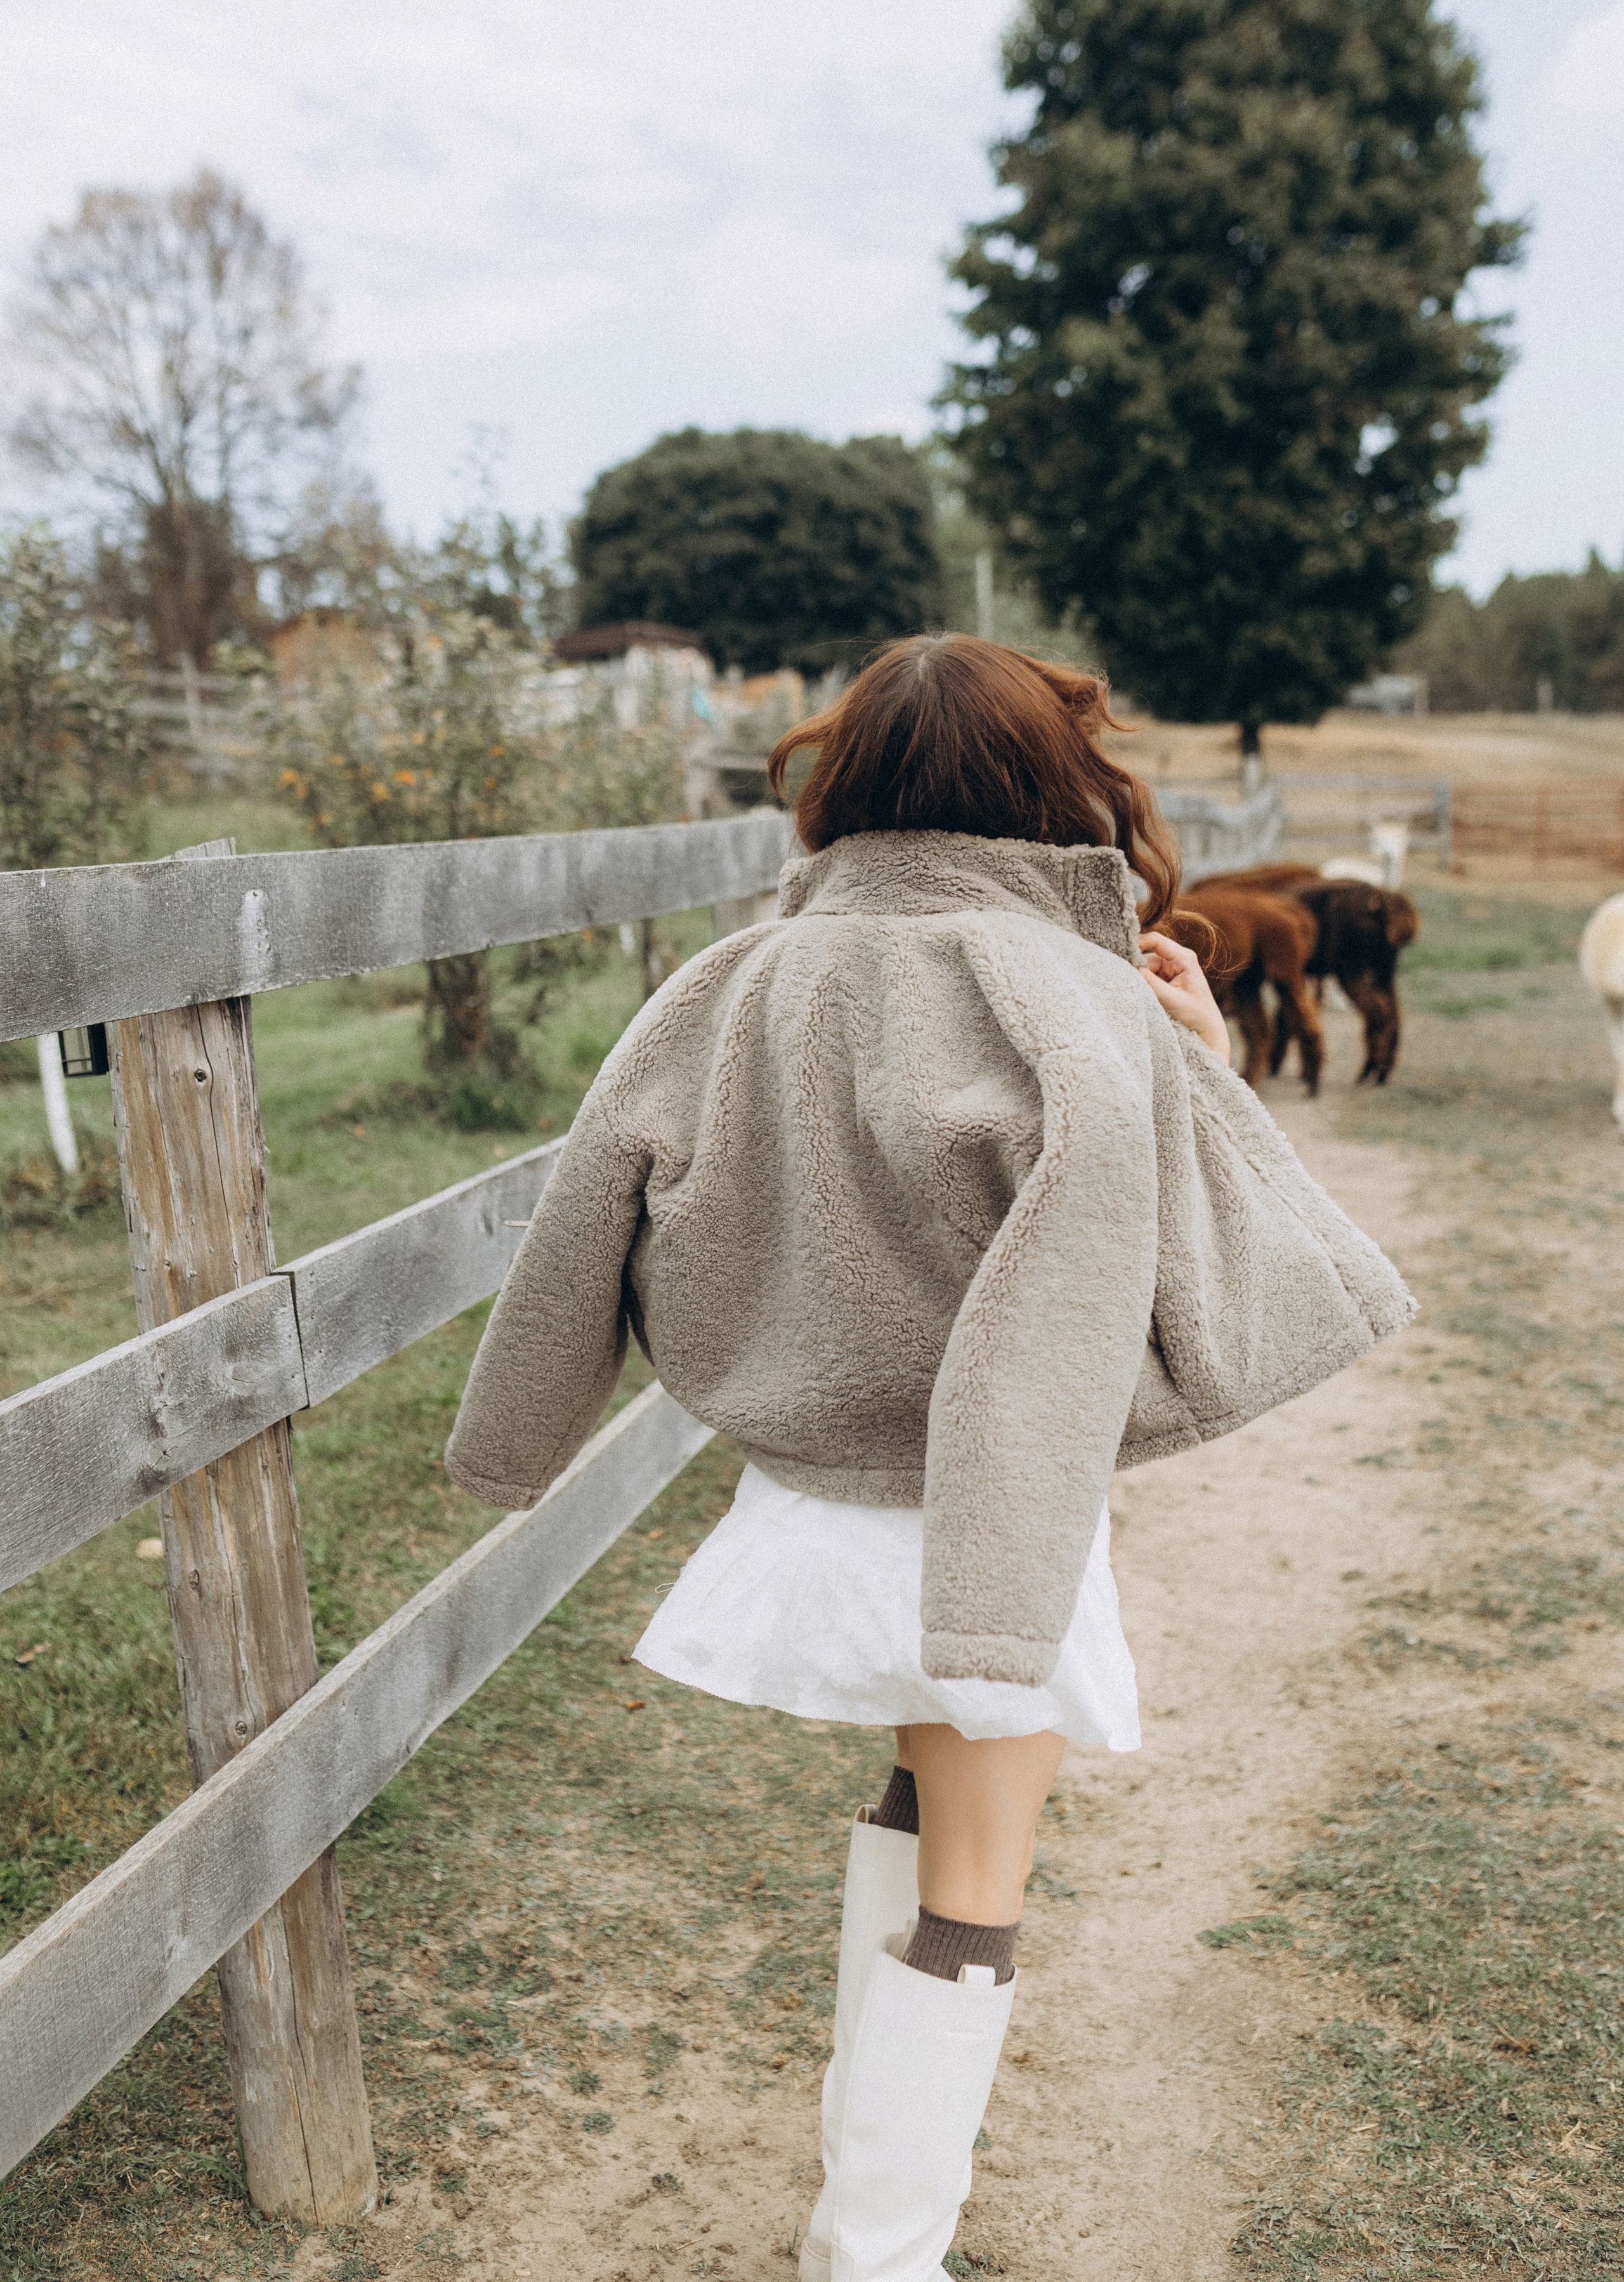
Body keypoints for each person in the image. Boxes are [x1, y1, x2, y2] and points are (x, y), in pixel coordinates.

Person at [445, 634, 1413, 2279]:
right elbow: (1151, 1264)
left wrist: (509, 1436)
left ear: (849, 784)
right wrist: (1192, 1061)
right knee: (977, 1877)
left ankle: (864, 2229)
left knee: (925, 1808)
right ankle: (881, 2261)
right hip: (987, 1520)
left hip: (811, 1494)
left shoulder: (725, 984)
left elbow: (578, 1219)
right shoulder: (1067, 997)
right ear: (1055, 787)